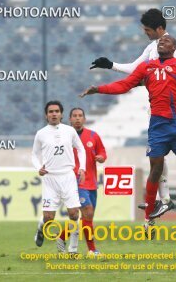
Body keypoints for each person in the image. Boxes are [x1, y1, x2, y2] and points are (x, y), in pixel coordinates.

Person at [81, 35, 176, 235]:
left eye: (166, 42)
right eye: (160, 42)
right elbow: (124, 85)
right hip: (158, 126)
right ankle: (149, 218)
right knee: (155, 169)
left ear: (174, 47)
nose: (161, 43)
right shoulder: (146, 67)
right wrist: (99, 89)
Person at [89, 8, 176, 218]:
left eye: (147, 30)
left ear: (159, 28)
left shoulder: (171, 49)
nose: (145, 33)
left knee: (158, 158)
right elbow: (136, 69)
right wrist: (111, 65)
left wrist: (142, 81)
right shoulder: (152, 47)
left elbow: (167, 76)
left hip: (168, 111)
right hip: (155, 110)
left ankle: (164, 200)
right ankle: (162, 200)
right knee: (156, 159)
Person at [32, 101, 86, 255]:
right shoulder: (41, 133)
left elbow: (81, 149)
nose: (54, 114)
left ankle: (73, 249)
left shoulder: (69, 131)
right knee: (49, 217)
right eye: (50, 111)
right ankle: (41, 228)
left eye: (56, 111)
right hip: (50, 178)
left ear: (61, 114)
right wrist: (38, 168)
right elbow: (34, 155)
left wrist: (82, 168)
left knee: (74, 214)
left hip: (68, 176)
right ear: (46, 115)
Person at [58, 107, 107, 255]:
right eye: (74, 116)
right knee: (88, 211)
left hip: (91, 182)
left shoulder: (93, 136)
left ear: (84, 119)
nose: (77, 118)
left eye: (80, 116)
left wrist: (101, 157)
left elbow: (103, 152)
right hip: (74, 181)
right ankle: (92, 250)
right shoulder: (64, 137)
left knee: (87, 217)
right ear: (70, 119)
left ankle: (62, 237)